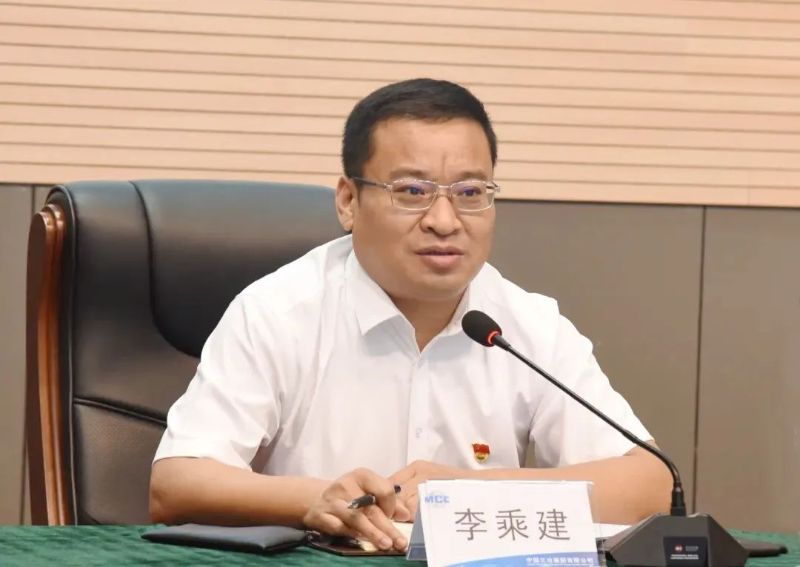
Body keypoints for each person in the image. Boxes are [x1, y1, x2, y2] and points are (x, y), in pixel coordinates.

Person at [149, 78, 671, 552]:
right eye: (412, 192)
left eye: (470, 193)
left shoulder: (524, 324)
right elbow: (176, 485)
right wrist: (316, 499)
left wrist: (467, 492)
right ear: (348, 201)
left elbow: (651, 483)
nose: (444, 221)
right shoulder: (278, 312)